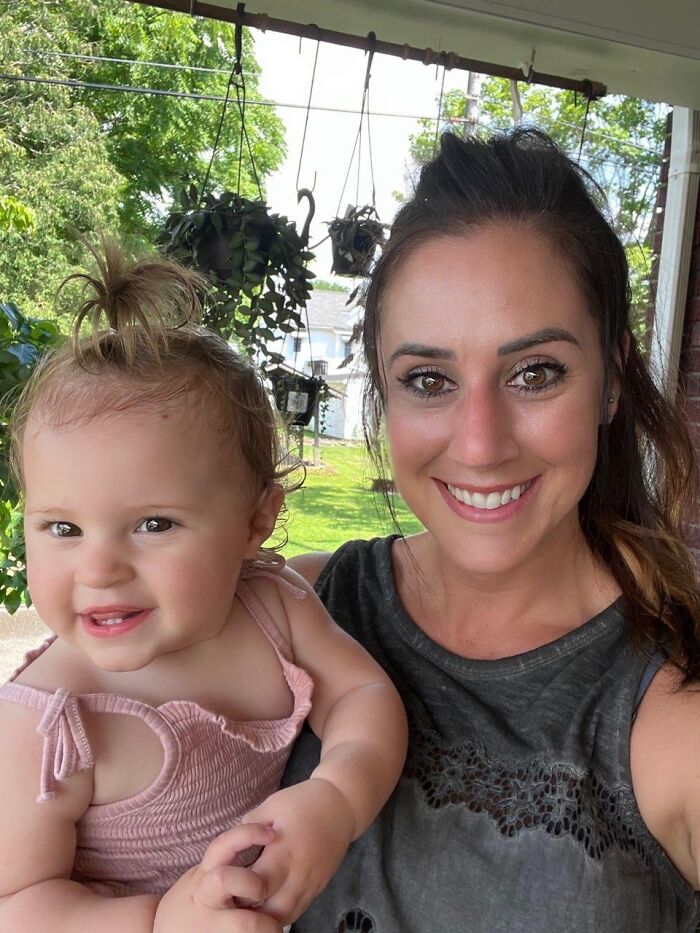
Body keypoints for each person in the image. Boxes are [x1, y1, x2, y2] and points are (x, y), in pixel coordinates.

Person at [281, 128, 700, 933]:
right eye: (429, 379)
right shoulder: (298, 610)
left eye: (534, 372)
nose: (479, 444)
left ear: (611, 379)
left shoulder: (669, 710)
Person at [0, 244, 407, 933]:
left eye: (153, 523)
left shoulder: (273, 609)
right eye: (63, 527)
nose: (99, 569)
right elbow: (18, 904)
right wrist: (161, 920)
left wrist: (334, 799)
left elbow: (364, 696)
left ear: (256, 521)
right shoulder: (48, 723)